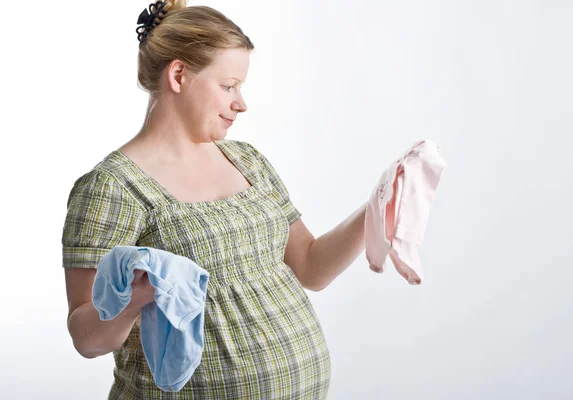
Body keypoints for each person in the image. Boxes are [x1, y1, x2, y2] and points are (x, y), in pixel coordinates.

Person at [62, 1, 367, 398]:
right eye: (228, 86)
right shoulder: (112, 187)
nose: (241, 103)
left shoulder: (248, 161)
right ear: (179, 75)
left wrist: (376, 208)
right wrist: (138, 294)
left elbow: (310, 267)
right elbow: (86, 339)